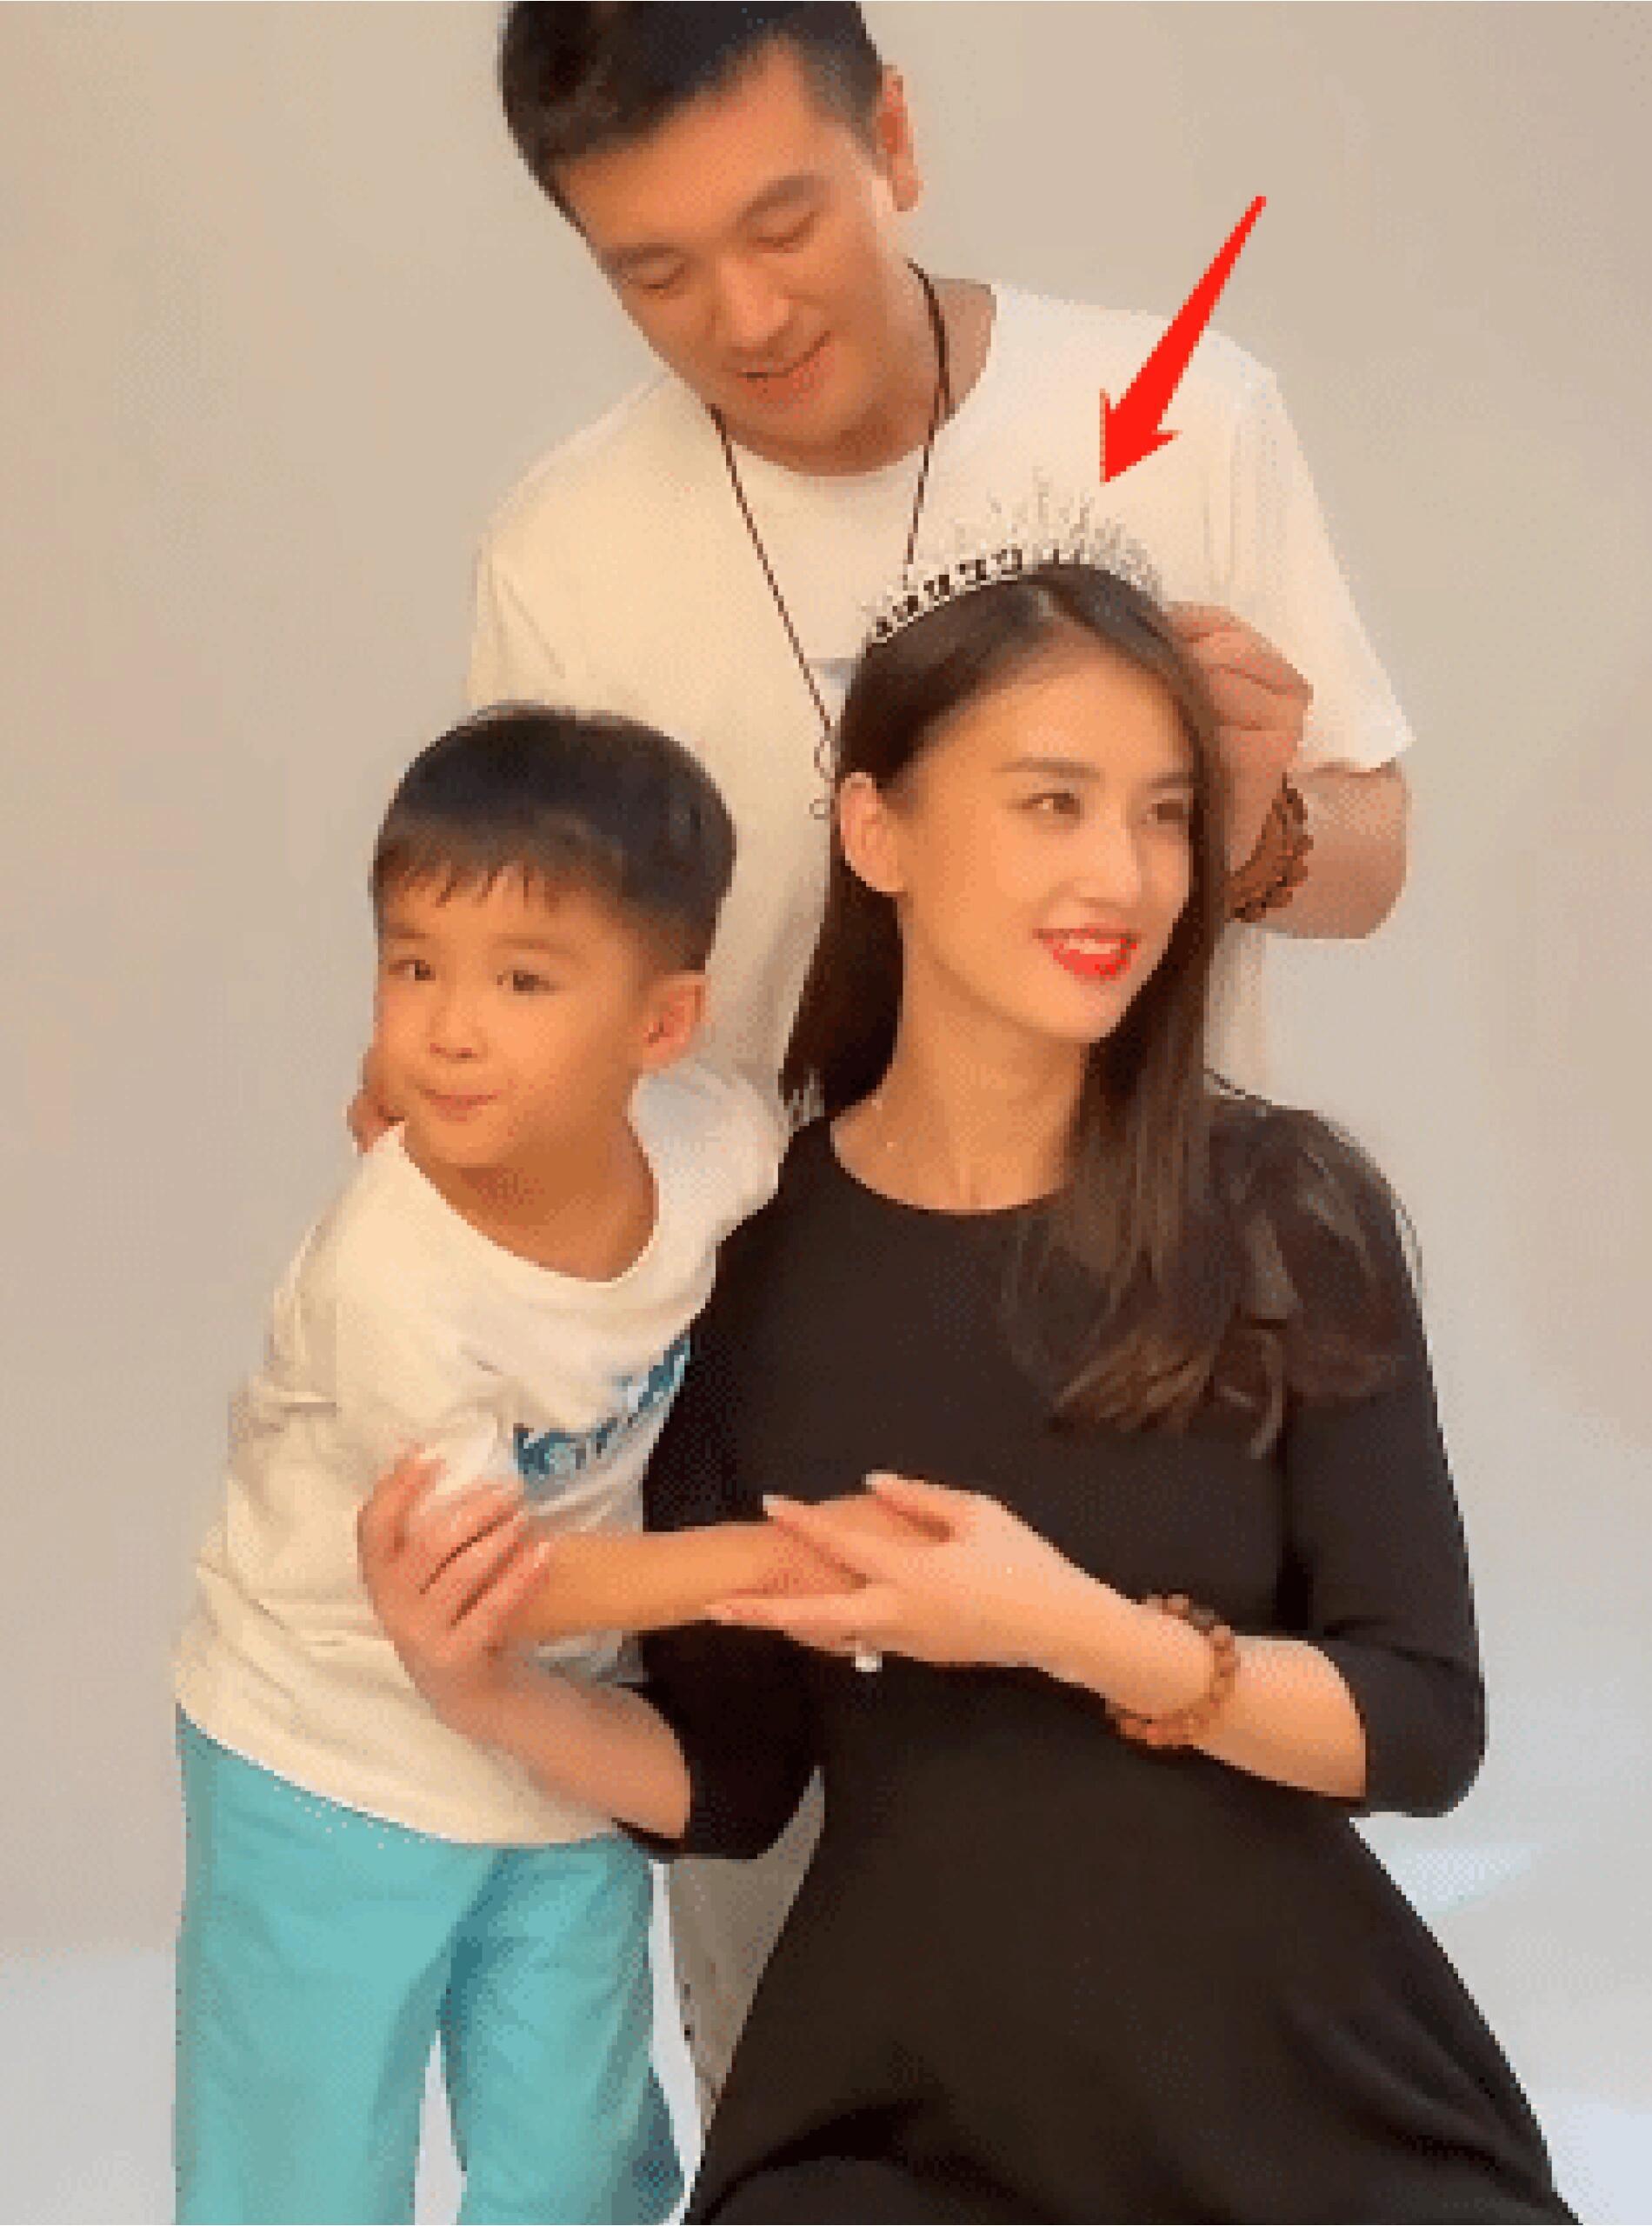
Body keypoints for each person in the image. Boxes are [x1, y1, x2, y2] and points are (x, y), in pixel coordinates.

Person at [347, 0, 1422, 2109]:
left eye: (784, 225)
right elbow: (535, 961)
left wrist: (1247, 815)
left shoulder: (1175, 414)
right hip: (769, 1354)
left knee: (1174, 1970)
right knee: (803, 1995)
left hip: (1141, 1325)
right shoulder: (567, 553)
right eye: (654, 270)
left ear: (893, 141)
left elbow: (1368, 858)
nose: (743, 316)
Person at [359, 551, 1573, 2223]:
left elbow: (1424, 1728)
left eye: (1163, 814)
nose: (1123, 873)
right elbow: (735, 1775)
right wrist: (479, 1686)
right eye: (1052, 802)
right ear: (878, 831)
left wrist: (1069, 1628)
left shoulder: (1284, 1211)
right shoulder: (748, 1264)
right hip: (904, 2123)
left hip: (1306, 2102)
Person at [171, 705, 791, 2223]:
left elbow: (811, 1188)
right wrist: (762, 1565)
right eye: (414, 967)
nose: (448, 1029)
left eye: (523, 981)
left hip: (555, 1747)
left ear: (662, 1025)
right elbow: (490, 1584)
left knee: (578, 2162)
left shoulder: (714, 1145)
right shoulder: (395, 1275)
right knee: (302, 2173)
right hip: (328, 1749)